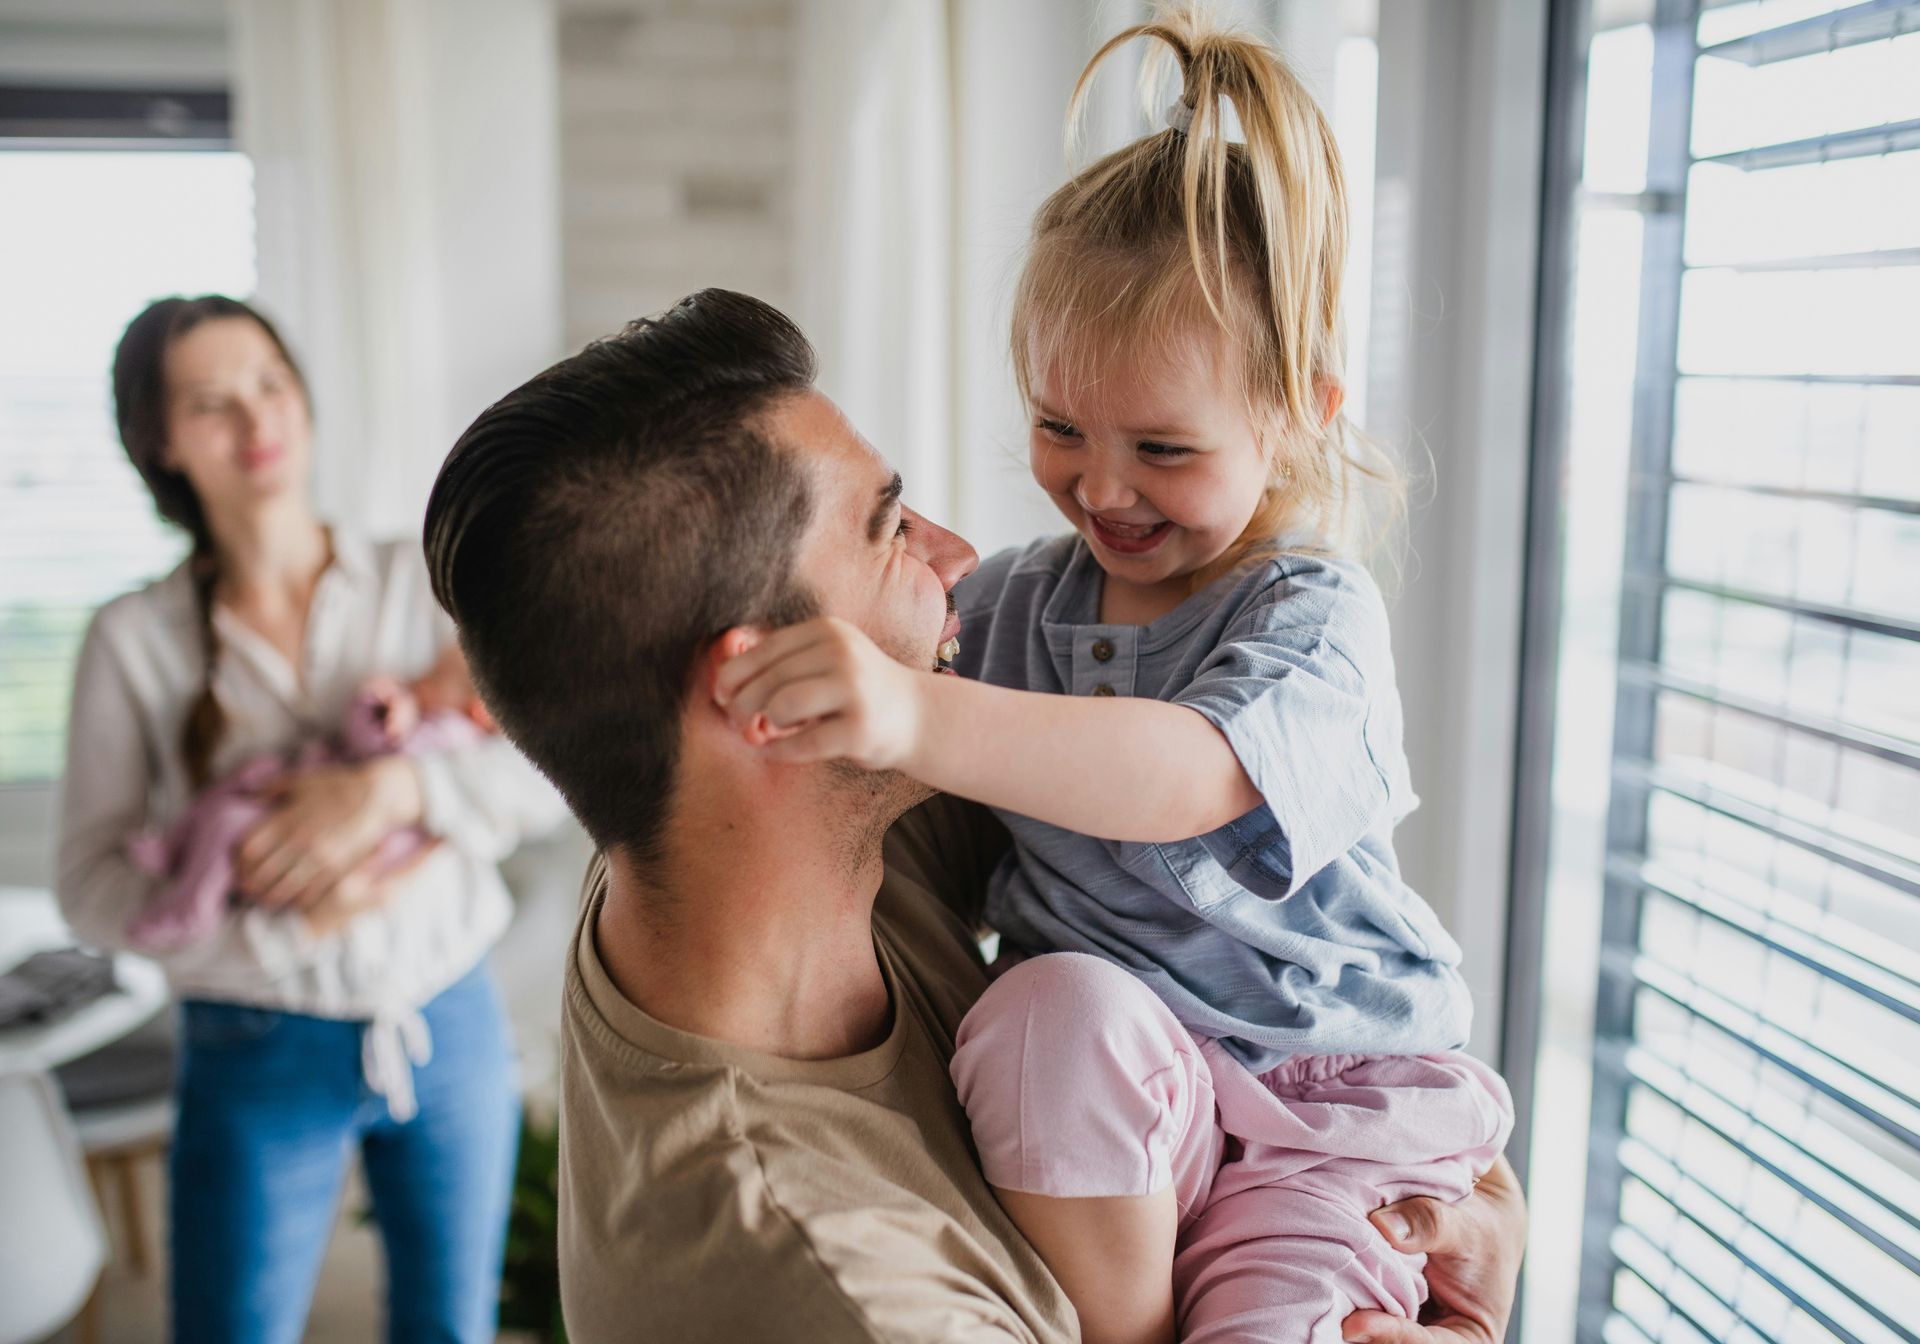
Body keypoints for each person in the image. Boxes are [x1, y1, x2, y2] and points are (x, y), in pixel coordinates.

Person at [421, 286, 1526, 1343]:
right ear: (762, 697)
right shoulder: (847, 1296)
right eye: (891, 530)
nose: (960, 561)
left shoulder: (722, 852)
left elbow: (1293, 958)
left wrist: (1463, 1204)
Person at [713, 11, 1513, 1343]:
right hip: (1129, 1111)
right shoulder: (1023, 598)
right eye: (1056, 426)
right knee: (1048, 1007)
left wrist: (917, 710)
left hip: (1328, 1115)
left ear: (1296, 413)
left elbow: (1192, 773)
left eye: (1164, 446)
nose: (1101, 485)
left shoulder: (1313, 616)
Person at [56, 295, 568, 1343]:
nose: (257, 423)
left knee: (451, 1329)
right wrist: (266, 889)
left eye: (271, 385)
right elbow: (89, 886)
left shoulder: (421, 577)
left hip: (448, 1024)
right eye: (212, 405)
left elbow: (549, 770)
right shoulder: (131, 640)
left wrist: (395, 793)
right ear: (159, 442)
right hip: (253, 1048)